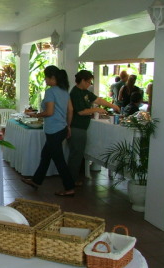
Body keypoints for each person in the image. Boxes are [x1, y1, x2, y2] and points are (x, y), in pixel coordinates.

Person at [21, 65, 75, 197]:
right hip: (61, 128)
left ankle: (69, 187)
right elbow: (70, 110)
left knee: (59, 160)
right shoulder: (64, 91)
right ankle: (36, 181)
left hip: (53, 130)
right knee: (46, 155)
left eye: (46, 77)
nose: (45, 79)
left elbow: (49, 112)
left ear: (53, 78)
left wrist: (35, 115)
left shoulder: (51, 92)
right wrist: (68, 126)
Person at [67, 70, 120, 186]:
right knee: (76, 154)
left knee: (77, 154)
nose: (89, 84)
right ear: (82, 80)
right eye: (88, 82)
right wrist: (96, 109)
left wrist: (113, 106)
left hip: (82, 128)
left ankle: (72, 179)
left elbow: (98, 100)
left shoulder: (85, 92)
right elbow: (80, 112)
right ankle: (71, 180)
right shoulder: (75, 93)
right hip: (77, 127)